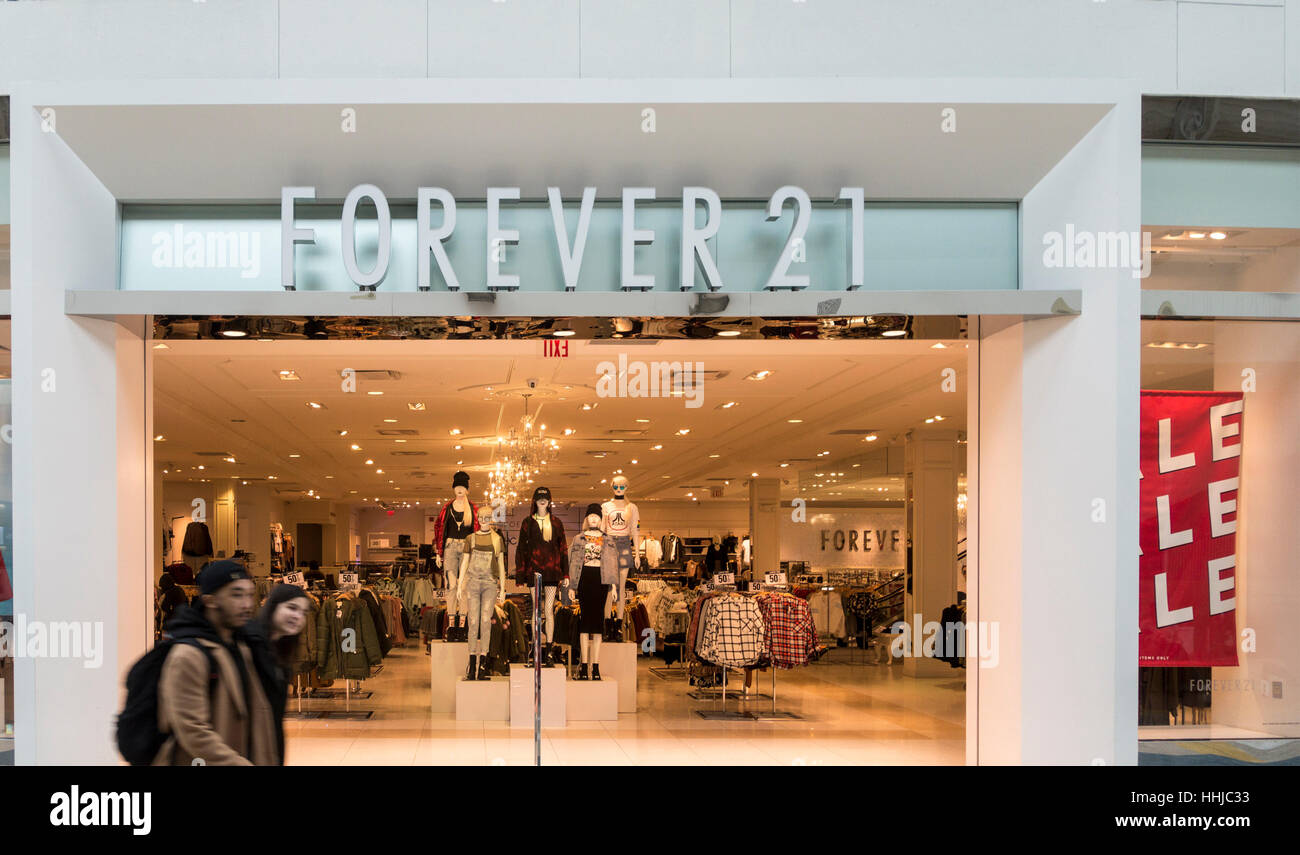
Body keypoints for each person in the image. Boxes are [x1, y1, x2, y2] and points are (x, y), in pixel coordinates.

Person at [153, 559, 278, 766]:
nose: (247, 604)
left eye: (249, 594)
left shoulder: (240, 647)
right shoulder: (188, 656)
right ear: (210, 600)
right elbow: (193, 731)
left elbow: (259, 717)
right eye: (236, 594)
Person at [244, 583, 311, 766]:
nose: (297, 616)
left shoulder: (281, 654)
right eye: (291, 608)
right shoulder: (248, 645)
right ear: (273, 606)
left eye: (303, 613)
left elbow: (275, 720)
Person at [154, 571, 189, 640]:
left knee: (168, 644)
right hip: (182, 622)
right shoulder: (180, 589)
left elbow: (164, 607)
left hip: (171, 624)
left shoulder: (168, 593)